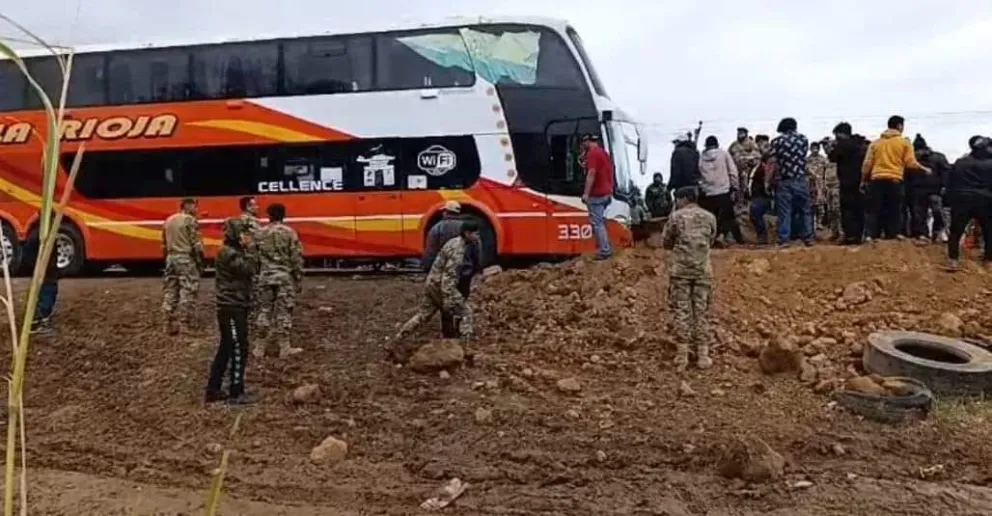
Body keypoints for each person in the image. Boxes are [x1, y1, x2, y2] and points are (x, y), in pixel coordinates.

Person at [389, 221, 480, 360]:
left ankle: (397, 340)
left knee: (423, 315)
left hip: (431, 283)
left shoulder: (453, 242)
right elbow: (448, 279)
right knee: (466, 312)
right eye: (476, 234)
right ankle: (465, 349)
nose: (478, 237)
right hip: (440, 285)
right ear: (467, 233)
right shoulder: (458, 252)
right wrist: (450, 300)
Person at [661, 186, 717, 371]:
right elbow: (711, 240)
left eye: (677, 198)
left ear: (684, 198)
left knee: (682, 312)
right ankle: (703, 356)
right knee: (701, 312)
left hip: (681, 273)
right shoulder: (710, 217)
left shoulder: (676, 217)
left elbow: (666, 242)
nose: (676, 202)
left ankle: (682, 356)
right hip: (702, 271)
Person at [205, 218, 260, 405]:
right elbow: (249, 269)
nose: (248, 237)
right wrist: (251, 249)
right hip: (231, 307)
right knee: (238, 347)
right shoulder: (228, 253)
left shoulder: (231, 251)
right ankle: (235, 391)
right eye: (244, 233)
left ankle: (213, 389)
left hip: (234, 305)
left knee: (227, 347)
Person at [861, 116, 932, 241]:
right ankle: (893, 234)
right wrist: (924, 169)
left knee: (874, 209)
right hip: (895, 179)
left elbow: (867, 164)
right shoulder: (904, 142)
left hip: (876, 178)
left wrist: (863, 180)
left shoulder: (875, 143)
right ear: (900, 126)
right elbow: (910, 162)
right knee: (894, 209)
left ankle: (870, 235)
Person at [253, 203, 304, 359]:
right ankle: (284, 348)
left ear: (269, 215)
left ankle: (259, 348)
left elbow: (254, 257)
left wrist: (257, 274)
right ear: (284, 215)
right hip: (283, 277)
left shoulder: (260, 233)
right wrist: (298, 277)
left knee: (264, 310)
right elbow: (295, 257)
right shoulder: (289, 232)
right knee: (283, 312)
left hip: (265, 276)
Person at [945, 136, 992, 270]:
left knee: (955, 231)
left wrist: (949, 199)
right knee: (989, 230)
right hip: (986, 200)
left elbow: (950, 182)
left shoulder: (960, 162)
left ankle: (953, 260)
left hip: (962, 200)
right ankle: (989, 261)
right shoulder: (990, 163)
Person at [161, 198, 204, 335]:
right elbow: (196, 244)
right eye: (195, 207)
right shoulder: (189, 220)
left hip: (170, 258)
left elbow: (163, 244)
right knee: (188, 290)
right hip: (185, 258)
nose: (196, 210)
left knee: (170, 290)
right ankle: (185, 324)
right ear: (188, 206)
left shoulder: (168, 220)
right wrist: (200, 261)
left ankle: (167, 323)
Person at [770, 118, 813, 246]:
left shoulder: (777, 141)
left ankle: (784, 239)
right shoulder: (803, 140)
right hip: (801, 178)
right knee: (805, 210)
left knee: (785, 211)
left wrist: (768, 181)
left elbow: (772, 162)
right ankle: (808, 238)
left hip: (785, 180)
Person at [827, 123, 868, 244]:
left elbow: (832, 157)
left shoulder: (843, 145)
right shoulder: (861, 144)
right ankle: (858, 235)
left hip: (847, 181)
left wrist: (830, 148)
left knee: (847, 210)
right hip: (860, 180)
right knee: (859, 209)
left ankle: (849, 236)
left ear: (841, 133)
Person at [697, 135, 742, 245]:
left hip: (707, 193)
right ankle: (737, 240)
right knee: (729, 217)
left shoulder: (701, 157)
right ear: (717, 144)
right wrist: (735, 187)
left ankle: (710, 240)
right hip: (723, 191)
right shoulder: (724, 154)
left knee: (710, 219)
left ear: (706, 146)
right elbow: (733, 171)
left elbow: (698, 175)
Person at [907, 135, 952, 242]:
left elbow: (946, 172)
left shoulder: (938, 158)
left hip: (934, 189)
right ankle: (923, 234)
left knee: (937, 211)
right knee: (919, 214)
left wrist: (944, 186)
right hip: (918, 190)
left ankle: (938, 230)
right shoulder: (911, 160)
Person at [580, 134, 614, 260]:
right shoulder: (603, 153)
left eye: (583, 142)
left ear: (587, 141)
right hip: (606, 193)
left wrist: (586, 193)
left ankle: (605, 250)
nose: (583, 145)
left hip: (597, 194)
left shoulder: (592, 154)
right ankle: (603, 245)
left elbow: (591, 173)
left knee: (597, 223)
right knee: (601, 221)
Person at [28, 229, 60, 334]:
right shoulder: (42, 235)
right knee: (47, 296)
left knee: (44, 295)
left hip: (46, 272)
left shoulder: (40, 233)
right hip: (47, 274)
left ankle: (37, 320)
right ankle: (39, 321)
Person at [424, 201, 464, 271]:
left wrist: (428, 268)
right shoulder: (466, 227)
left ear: (445, 212)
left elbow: (431, 251)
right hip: (462, 268)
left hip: (444, 269)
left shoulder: (437, 228)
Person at [728, 127, 762, 200]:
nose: (739, 134)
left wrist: (746, 159)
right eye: (738, 133)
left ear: (745, 134)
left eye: (741, 133)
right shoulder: (734, 144)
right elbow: (728, 156)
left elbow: (757, 156)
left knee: (745, 188)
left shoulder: (751, 143)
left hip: (748, 170)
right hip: (735, 170)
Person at [750, 153, 775, 244]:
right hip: (757, 195)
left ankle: (763, 236)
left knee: (756, 214)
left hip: (762, 196)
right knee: (755, 215)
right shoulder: (758, 168)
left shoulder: (765, 169)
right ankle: (763, 235)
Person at [807, 141, 829, 232]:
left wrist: (825, 184)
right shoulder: (807, 160)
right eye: (813, 148)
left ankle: (819, 223)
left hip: (820, 184)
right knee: (810, 205)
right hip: (810, 184)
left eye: (816, 148)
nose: (815, 150)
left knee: (821, 205)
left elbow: (827, 171)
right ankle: (812, 223)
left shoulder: (823, 159)